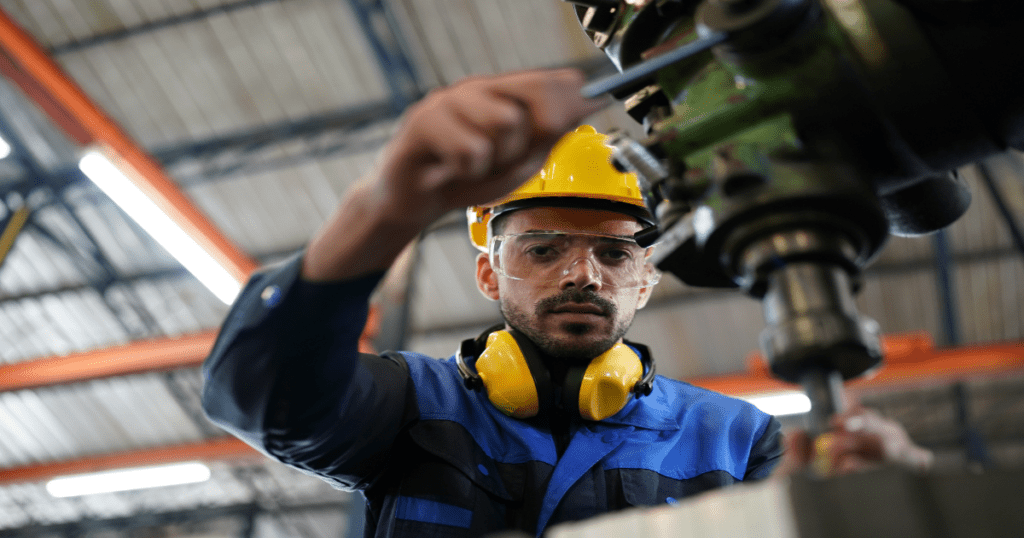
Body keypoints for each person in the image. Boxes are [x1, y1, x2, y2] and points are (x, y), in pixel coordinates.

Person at [202, 68, 931, 538]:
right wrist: (385, 206)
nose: (583, 274)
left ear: (647, 279)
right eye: (543, 249)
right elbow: (263, 396)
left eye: (615, 254)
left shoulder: (741, 443)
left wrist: (875, 509)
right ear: (489, 276)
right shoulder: (407, 409)